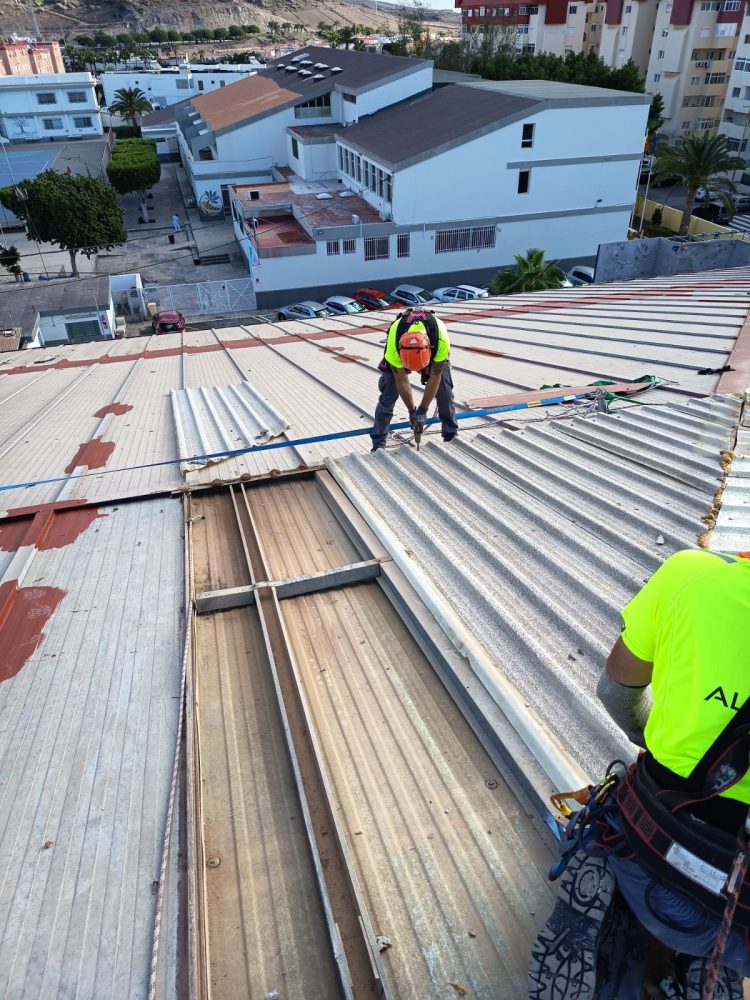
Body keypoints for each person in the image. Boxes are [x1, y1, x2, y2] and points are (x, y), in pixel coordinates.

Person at [529, 548, 750, 1000]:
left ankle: (634, 917)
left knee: (625, 802)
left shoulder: (691, 574)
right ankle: (700, 959)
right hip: (740, 913)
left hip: (649, 852)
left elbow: (617, 692)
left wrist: (667, 743)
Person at [370, 308, 458, 453]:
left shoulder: (440, 337)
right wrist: (412, 412)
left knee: (445, 392)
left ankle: (451, 435)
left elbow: (435, 377)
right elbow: (402, 381)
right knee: (388, 394)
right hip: (400, 353)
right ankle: (378, 444)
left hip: (433, 351)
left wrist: (422, 411)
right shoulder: (394, 346)